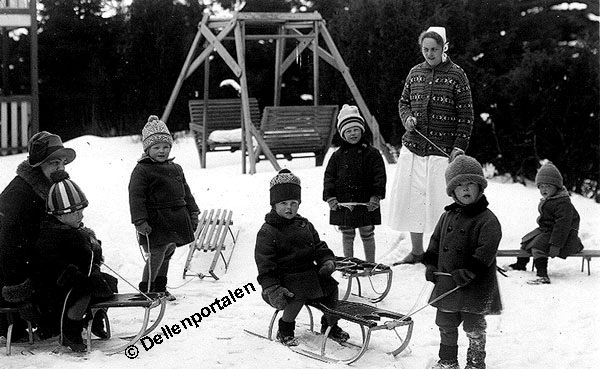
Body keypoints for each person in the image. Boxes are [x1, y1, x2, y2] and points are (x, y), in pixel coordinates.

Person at [387, 26, 474, 264]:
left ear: (444, 48)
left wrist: (459, 146)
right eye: (425, 49)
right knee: (414, 202)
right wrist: (407, 119)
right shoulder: (415, 72)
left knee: (441, 204)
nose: (429, 54)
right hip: (414, 149)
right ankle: (417, 251)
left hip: (442, 152)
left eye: (434, 49)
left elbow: (466, 114)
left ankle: (440, 254)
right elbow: (403, 102)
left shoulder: (457, 74)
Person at [422, 155, 502, 369]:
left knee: (473, 325)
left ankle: (475, 363)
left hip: (473, 283)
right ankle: (448, 361)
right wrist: (430, 264)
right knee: (446, 323)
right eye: (459, 186)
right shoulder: (447, 216)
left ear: (480, 187)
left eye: (470, 184)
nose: (465, 189)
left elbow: (487, 250)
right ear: (452, 191)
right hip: (448, 283)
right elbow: (435, 241)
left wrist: (470, 271)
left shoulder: (487, 220)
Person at [255, 169, 350, 346]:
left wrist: (326, 261)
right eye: (283, 203)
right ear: (274, 205)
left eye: (293, 202)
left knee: (331, 288)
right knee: (297, 294)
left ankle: (329, 325)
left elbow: (319, 247)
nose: (289, 207)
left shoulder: (305, 225)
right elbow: (265, 264)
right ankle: (285, 329)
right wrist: (273, 288)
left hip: (309, 274)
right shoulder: (268, 231)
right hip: (285, 280)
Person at [0, 131, 76, 341]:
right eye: (54, 163)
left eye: (62, 162)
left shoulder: (50, 188)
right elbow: (9, 247)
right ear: (38, 165)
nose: (60, 168)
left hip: (33, 264)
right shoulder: (20, 196)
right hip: (10, 274)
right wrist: (20, 297)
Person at [31, 171, 117, 352]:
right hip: (56, 286)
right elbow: (53, 264)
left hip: (76, 278)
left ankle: (95, 318)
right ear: (59, 216)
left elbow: (87, 256)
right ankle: (70, 330)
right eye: (75, 212)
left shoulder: (75, 231)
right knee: (83, 292)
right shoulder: (50, 237)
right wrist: (78, 276)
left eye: (82, 211)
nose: (81, 216)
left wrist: (94, 248)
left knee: (109, 283)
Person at [129, 115, 199, 301]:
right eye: (157, 147)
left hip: (174, 218)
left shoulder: (176, 168)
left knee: (168, 251)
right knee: (157, 254)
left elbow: (186, 192)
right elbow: (136, 197)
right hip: (155, 221)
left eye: (166, 147)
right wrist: (140, 220)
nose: (162, 151)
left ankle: (160, 287)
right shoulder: (142, 170)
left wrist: (193, 210)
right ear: (147, 149)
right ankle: (147, 289)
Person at [323, 104, 386, 263]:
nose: (353, 134)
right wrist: (330, 197)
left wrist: (376, 196)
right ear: (343, 134)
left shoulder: (372, 153)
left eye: (355, 129)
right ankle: (349, 263)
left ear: (362, 130)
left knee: (367, 232)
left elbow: (379, 176)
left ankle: (370, 263)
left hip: (366, 201)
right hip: (344, 201)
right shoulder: (337, 156)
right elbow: (329, 177)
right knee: (347, 233)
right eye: (348, 131)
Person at [507, 162, 584, 284]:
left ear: (557, 187)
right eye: (541, 186)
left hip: (565, 237)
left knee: (538, 246)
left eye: (548, 186)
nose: (544, 189)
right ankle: (520, 264)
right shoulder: (551, 199)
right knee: (527, 240)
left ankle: (542, 275)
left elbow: (562, 226)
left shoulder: (563, 203)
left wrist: (555, 245)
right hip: (548, 231)